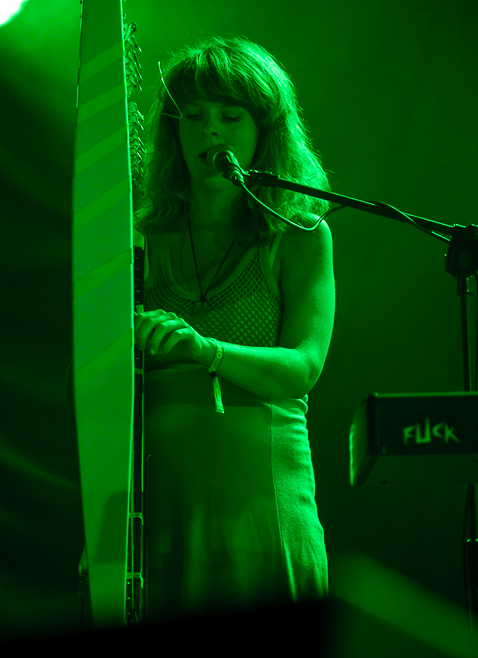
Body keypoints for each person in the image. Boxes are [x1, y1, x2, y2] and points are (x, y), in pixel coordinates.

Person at [129, 34, 335, 623]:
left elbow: (303, 367)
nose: (210, 131)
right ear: (173, 133)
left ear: (265, 130)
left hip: (262, 501)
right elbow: (85, 374)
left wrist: (206, 349)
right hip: (156, 506)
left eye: (230, 115)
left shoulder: (300, 235)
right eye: (193, 116)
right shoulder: (137, 237)